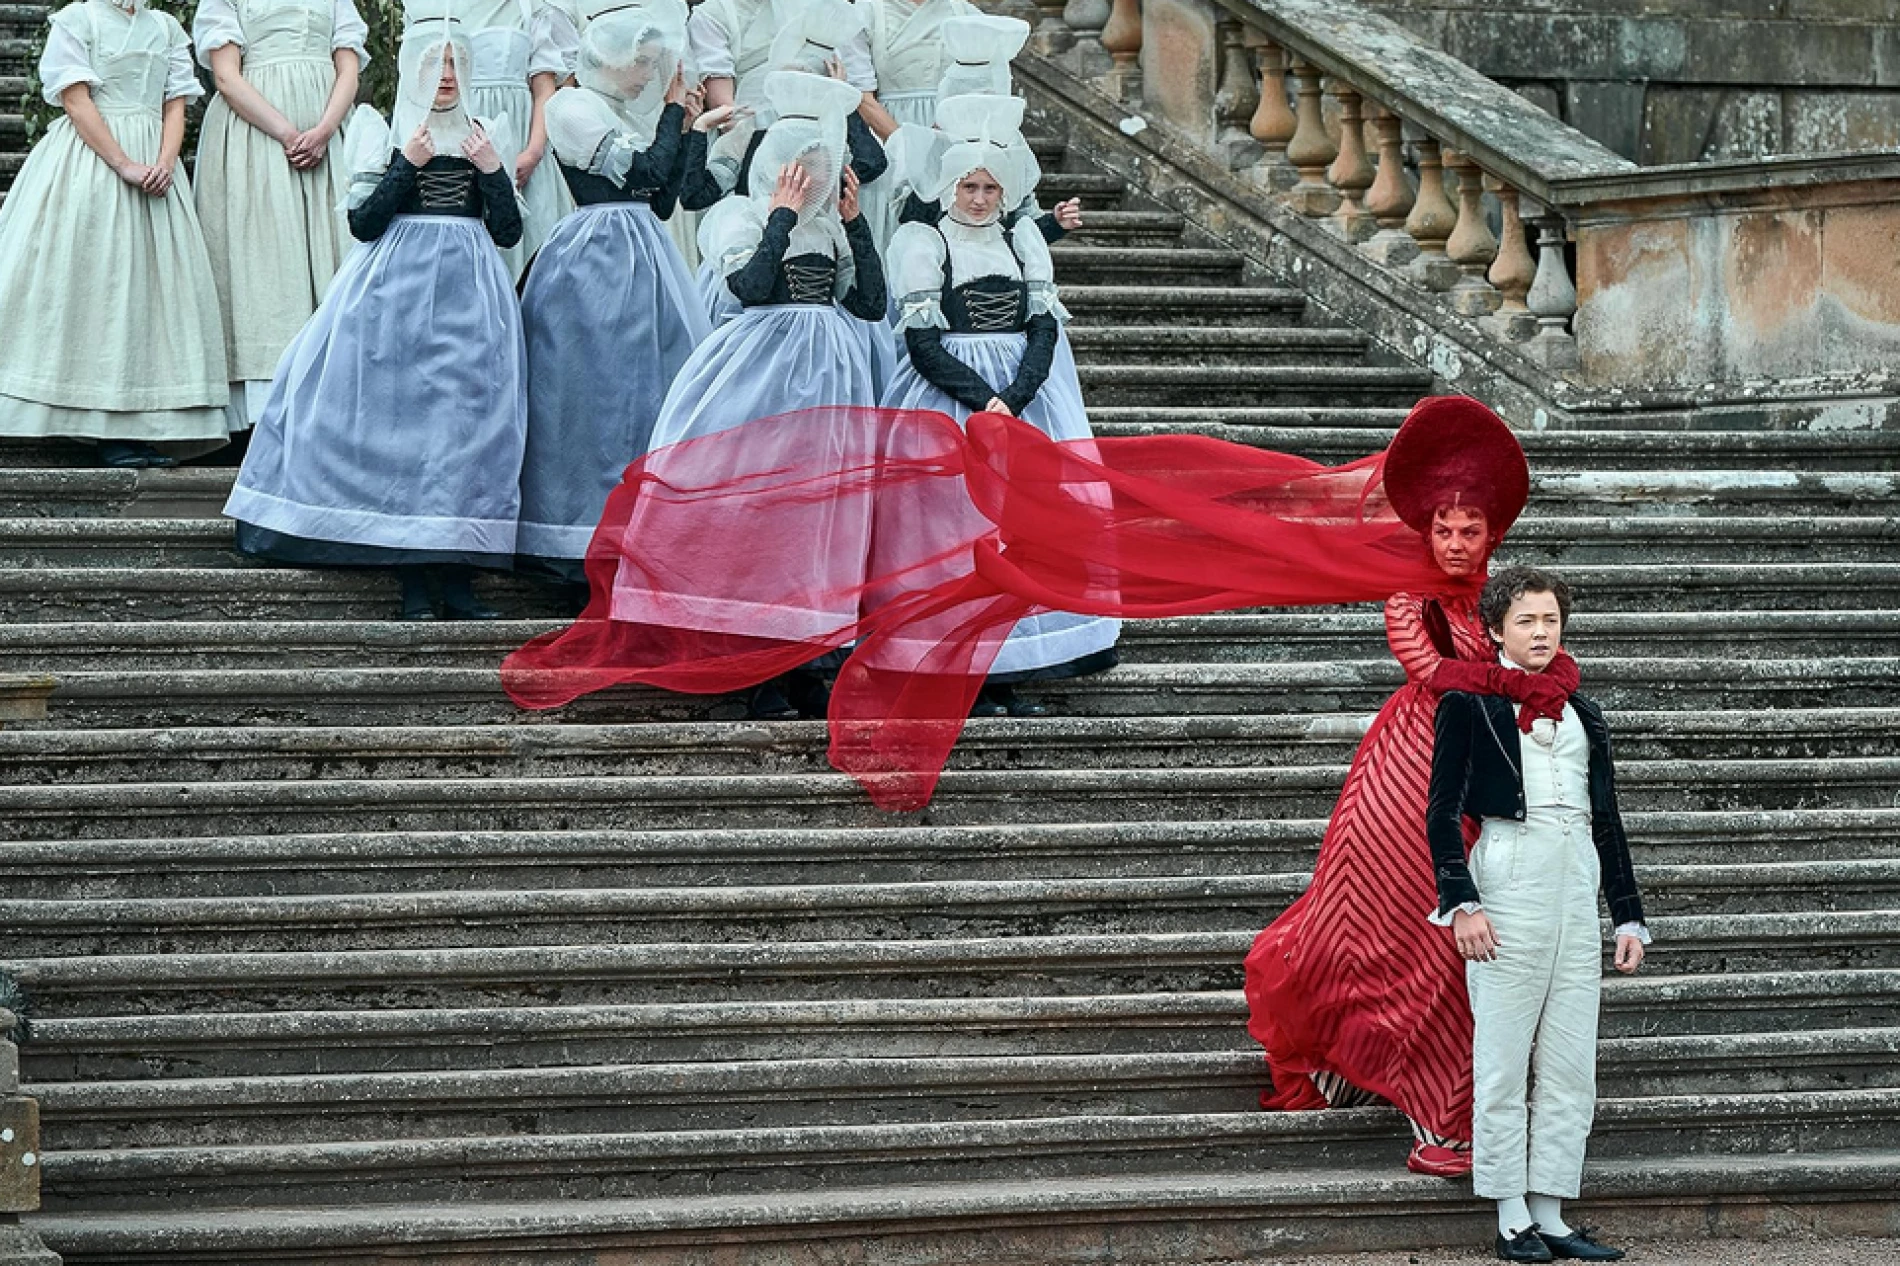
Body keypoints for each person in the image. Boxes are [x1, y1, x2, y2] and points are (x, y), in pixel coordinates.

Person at [1242, 396, 1581, 1178]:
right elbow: (1431, 671)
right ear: (1426, 532)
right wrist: (1525, 682)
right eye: (1444, 530)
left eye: (1471, 531)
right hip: (1408, 780)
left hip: (1493, 777)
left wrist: (1552, 675)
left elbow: (1547, 655)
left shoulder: (1507, 600)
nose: (1456, 544)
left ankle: (1437, 1102)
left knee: (1463, 945)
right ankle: (1419, 1103)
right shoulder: (1409, 597)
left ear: (1493, 536)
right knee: (1414, 935)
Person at [223, 19, 528, 620]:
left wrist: (493, 169)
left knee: (463, 433)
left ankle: (458, 578)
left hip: (470, 295)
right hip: (396, 293)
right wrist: (406, 164)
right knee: (404, 430)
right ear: (413, 67)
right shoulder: (383, 132)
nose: (445, 75)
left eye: (455, 63)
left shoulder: (486, 132)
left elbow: (508, 231)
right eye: (435, 62)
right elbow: (364, 224)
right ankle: (411, 579)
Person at [1429, 566, 1648, 1264]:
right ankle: (1510, 1215)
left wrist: (1627, 917)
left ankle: (1551, 1212)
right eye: (1525, 620)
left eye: (1550, 619)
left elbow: (1607, 819)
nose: (1541, 631)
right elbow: (1441, 812)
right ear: (1496, 630)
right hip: (1509, 872)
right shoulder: (1467, 703)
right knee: (1502, 1060)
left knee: (1569, 1062)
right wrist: (1462, 902)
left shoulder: (1586, 713)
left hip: (1575, 879)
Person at [881, 92, 1117, 715]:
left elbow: (1043, 329)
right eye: (969, 187)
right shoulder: (925, 244)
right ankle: (959, 666)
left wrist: (1016, 397)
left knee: (1019, 530)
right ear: (949, 188)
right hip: (950, 403)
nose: (980, 199)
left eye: (989, 188)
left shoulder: (1023, 242)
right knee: (956, 531)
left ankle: (1009, 663)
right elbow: (923, 345)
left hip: (1021, 403)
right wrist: (984, 400)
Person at [515, 0, 720, 597]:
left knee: (654, 392)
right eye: (643, 63)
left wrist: (686, 127)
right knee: (591, 395)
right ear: (612, 57)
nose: (648, 75)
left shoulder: (624, 112)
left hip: (647, 254)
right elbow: (638, 174)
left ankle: (647, 537)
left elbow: (662, 199)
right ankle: (574, 542)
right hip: (594, 257)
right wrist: (673, 116)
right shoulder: (571, 106)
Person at [0, 0, 228, 466]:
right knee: (94, 285)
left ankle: (134, 425)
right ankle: (82, 413)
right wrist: (123, 163)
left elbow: (174, 104)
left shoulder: (166, 27)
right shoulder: (78, 20)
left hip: (153, 166)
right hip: (92, 163)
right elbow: (76, 99)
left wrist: (165, 163)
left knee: (146, 296)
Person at [192, 0, 370, 434]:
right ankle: (263, 409)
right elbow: (226, 76)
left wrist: (324, 130)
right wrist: (288, 133)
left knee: (336, 255)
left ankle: (332, 402)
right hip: (256, 138)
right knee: (265, 264)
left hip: (328, 136)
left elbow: (348, 69)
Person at [440, 0, 576, 278]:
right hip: (462, 135)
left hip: (523, 138)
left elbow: (544, 89)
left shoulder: (532, 8)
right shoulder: (441, 8)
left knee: (533, 252)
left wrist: (533, 152)